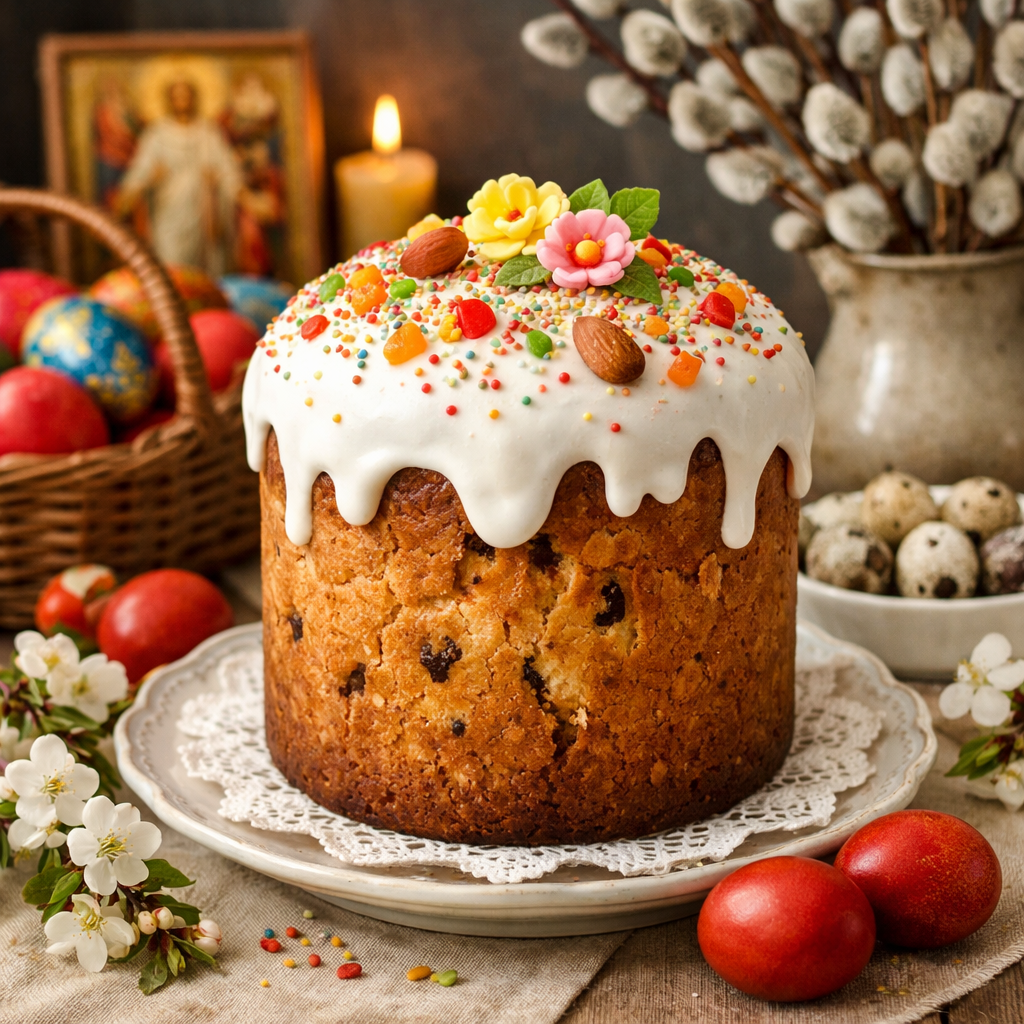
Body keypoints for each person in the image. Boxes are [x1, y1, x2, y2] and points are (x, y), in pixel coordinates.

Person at [117, 79, 241, 275]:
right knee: (171, 264)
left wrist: (228, 184)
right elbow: (139, 172)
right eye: (177, 97)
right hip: (168, 211)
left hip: (201, 211)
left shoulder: (207, 132)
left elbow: (227, 171)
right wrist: (149, 178)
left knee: (205, 268)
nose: (182, 101)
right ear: (170, 100)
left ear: (194, 99)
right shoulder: (157, 134)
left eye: (186, 96)